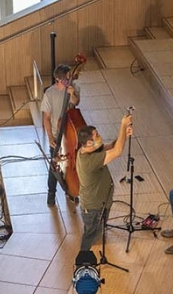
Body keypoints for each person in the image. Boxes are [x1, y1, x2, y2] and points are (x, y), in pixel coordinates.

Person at [75, 113, 132, 253]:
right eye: (96, 135)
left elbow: (112, 146)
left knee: (98, 232)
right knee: (91, 236)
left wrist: (124, 134)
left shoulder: (88, 150)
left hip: (101, 203)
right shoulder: (89, 161)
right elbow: (117, 151)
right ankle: (84, 261)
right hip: (94, 208)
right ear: (89, 142)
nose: (99, 136)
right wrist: (123, 125)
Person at [40, 64, 81, 206]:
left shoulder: (73, 88)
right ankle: (51, 193)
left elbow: (75, 103)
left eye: (70, 77)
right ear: (58, 79)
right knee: (54, 166)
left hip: (69, 134)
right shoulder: (49, 94)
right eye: (66, 79)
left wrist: (72, 94)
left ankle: (71, 190)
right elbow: (46, 117)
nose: (69, 80)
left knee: (73, 164)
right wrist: (50, 137)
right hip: (57, 135)